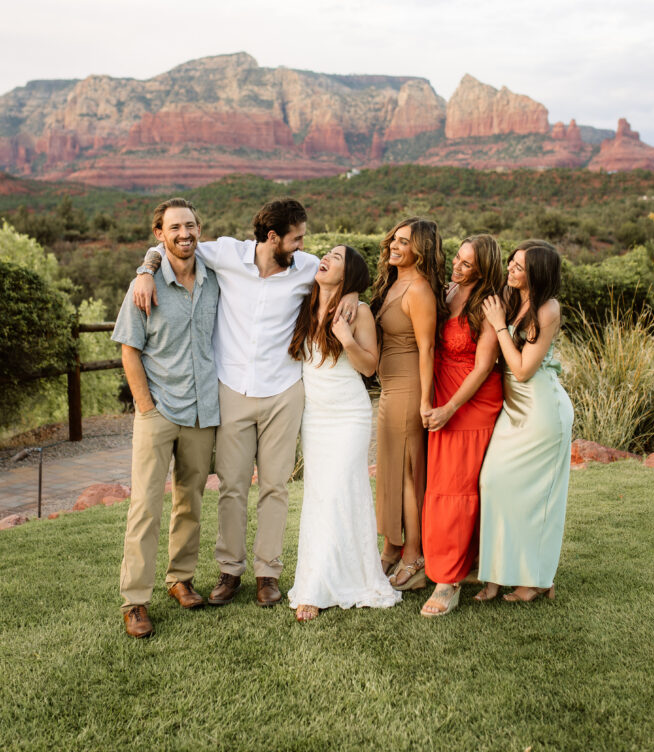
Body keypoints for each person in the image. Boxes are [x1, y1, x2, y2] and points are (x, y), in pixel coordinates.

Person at [133, 198, 358, 609]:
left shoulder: (306, 266)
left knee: (274, 485)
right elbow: (175, 243)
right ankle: (230, 571)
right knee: (232, 487)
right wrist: (146, 271)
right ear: (273, 237)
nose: (303, 244)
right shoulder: (229, 255)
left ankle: (267, 573)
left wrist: (355, 293)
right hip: (232, 390)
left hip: (284, 391)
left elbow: (346, 272)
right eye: (296, 237)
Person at [113, 198, 220, 638]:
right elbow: (128, 348)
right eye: (174, 227)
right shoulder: (145, 283)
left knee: (190, 502)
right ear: (159, 234)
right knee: (145, 507)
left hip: (202, 410)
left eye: (190, 225)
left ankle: (181, 579)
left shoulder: (215, 278)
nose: (184, 233)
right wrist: (145, 407)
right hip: (158, 410)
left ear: (199, 229)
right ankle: (135, 601)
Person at [286, 245, 402, 621]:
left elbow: (370, 366)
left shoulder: (360, 311)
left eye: (337, 257)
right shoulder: (306, 300)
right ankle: (328, 575)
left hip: (349, 414)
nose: (326, 258)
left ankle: (318, 589)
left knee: (340, 489)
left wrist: (346, 337)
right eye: (328, 253)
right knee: (321, 495)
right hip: (315, 416)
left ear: (348, 273)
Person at [477, 239, 574, 603]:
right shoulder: (514, 297)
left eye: (519, 267)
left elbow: (520, 370)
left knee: (534, 497)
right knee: (494, 483)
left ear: (537, 272)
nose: (511, 270)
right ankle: (495, 575)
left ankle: (535, 579)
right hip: (513, 411)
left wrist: (500, 325)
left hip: (541, 410)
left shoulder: (548, 309)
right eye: (512, 264)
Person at [420, 234, 504, 617]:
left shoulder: (488, 303)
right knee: (442, 485)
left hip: (469, 403)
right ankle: (459, 565)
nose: (457, 265)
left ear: (483, 270)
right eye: (457, 256)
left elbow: (484, 365)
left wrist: (450, 408)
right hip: (441, 394)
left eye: (467, 263)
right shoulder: (449, 289)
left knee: (455, 490)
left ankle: (447, 582)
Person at [370, 218, 448, 592]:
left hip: (408, 391)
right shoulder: (393, 283)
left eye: (403, 242)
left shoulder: (418, 290)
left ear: (421, 249)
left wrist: (425, 401)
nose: (394, 246)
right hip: (390, 390)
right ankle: (391, 545)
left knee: (406, 475)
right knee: (390, 470)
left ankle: (414, 554)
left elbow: (427, 348)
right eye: (393, 240)